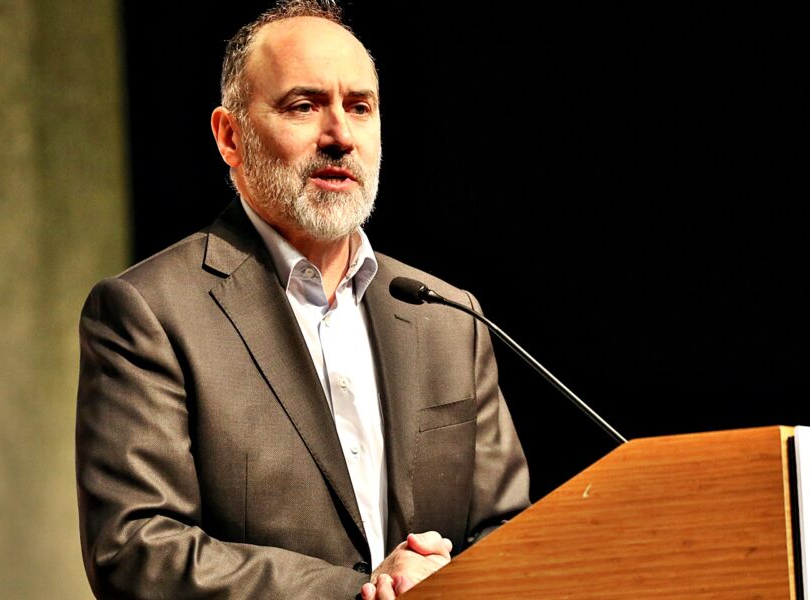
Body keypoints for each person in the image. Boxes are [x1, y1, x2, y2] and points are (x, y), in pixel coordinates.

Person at [75, 1, 530, 598]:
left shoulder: (447, 316)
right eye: (304, 106)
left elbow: (508, 531)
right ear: (230, 137)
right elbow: (135, 549)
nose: (340, 136)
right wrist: (357, 592)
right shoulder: (150, 313)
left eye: (360, 107)